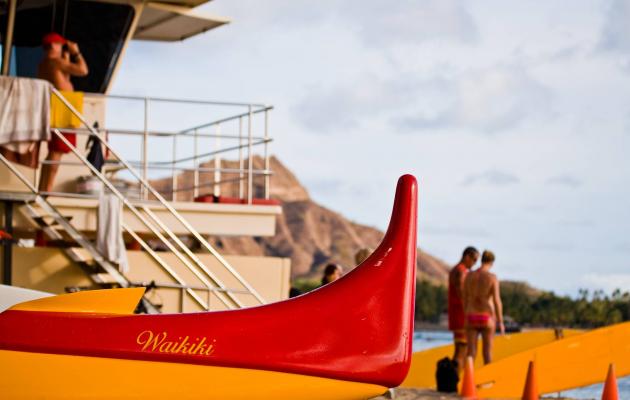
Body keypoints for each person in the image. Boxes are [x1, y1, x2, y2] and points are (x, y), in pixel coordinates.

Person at [37, 32, 88, 192]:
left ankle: (43, 189)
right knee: (56, 153)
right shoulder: (55, 62)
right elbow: (83, 70)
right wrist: (76, 53)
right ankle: (47, 191)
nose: (62, 47)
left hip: (54, 110)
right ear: (54, 46)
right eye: (61, 45)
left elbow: (63, 81)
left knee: (52, 153)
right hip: (63, 112)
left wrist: (66, 59)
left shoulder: (45, 64)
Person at [463, 250, 504, 365]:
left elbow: (464, 298)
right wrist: (500, 321)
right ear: (491, 262)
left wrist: (466, 314)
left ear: (481, 260)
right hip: (486, 317)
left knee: (471, 353)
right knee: (487, 354)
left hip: (471, 315)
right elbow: (497, 300)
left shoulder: (469, 276)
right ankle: (487, 377)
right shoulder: (492, 278)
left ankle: (468, 376)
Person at [447, 246, 479, 373]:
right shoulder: (460, 271)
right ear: (467, 256)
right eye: (474, 260)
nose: (474, 263)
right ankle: (457, 378)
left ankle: (456, 377)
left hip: (458, 313)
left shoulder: (457, 269)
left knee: (460, 349)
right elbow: (462, 293)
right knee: (462, 350)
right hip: (461, 314)